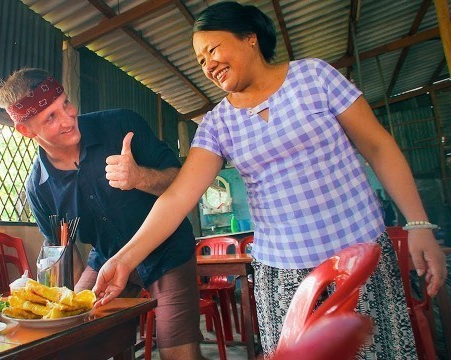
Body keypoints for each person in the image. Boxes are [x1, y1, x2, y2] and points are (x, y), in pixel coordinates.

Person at [92, 2, 448, 358]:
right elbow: (177, 198)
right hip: (285, 279)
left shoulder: (314, 77)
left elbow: (378, 146)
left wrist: (418, 223)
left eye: (212, 49)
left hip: (359, 263)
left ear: (250, 38)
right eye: (201, 61)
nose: (208, 65)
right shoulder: (218, 124)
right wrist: (123, 260)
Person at [0, 68, 204, 360]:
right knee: (78, 340)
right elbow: (65, 255)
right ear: (27, 130)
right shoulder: (38, 188)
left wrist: (139, 178)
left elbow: (181, 182)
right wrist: (66, 304)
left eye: (65, 104)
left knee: (178, 354)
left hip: (166, 251)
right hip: (105, 258)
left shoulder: (121, 124)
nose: (69, 119)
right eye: (51, 117)